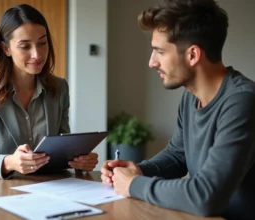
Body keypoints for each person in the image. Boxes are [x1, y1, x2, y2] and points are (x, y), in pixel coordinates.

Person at [100, 0, 255, 219]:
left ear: (192, 55)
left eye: (159, 52)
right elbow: (177, 156)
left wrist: (134, 184)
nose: (152, 62)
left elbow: (207, 196)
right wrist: (138, 170)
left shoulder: (242, 101)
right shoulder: (190, 96)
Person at [0, 4, 98, 179]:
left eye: (42, 43)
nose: (37, 54)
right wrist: (9, 162)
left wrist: (79, 160)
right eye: (25, 46)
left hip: (52, 188)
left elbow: (63, 150)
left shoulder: (59, 88)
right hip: (4, 191)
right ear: (6, 49)